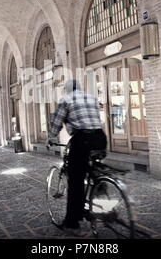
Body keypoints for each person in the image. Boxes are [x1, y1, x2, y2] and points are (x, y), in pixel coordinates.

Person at [47, 79, 106, 235]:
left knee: (75, 181)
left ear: (66, 90)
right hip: (100, 138)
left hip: (82, 139)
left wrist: (51, 137)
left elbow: (57, 122)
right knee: (91, 166)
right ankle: (99, 183)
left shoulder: (65, 100)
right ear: (80, 88)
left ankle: (72, 223)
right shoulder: (91, 97)